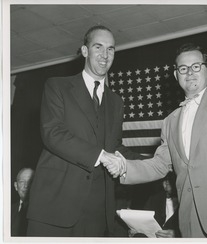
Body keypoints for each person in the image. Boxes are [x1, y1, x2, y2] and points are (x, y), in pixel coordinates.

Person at [103, 42, 207, 238]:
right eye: (183, 68)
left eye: (196, 66)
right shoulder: (170, 121)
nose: (189, 72)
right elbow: (159, 165)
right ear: (176, 76)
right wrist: (124, 167)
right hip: (189, 223)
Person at [26, 25, 144, 237]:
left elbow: (115, 147)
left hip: (97, 213)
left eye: (111, 49)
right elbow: (52, 133)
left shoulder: (116, 102)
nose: (105, 55)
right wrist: (100, 155)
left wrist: (156, 161)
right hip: (54, 206)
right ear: (84, 51)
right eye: (98, 47)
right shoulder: (57, 87)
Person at [130, 172, 180, 238]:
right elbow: (144, 224)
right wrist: (136, 232)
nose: (166, 183)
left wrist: (178, 236)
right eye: (165, 180)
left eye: (171, 179)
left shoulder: (189, 203)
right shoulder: (155, 199)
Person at [11, 167, 34, 236]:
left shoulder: (43, 212)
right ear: (15, 186)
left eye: (30, 182)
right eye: (22, 182)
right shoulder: (6, 211)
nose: (26, 186)